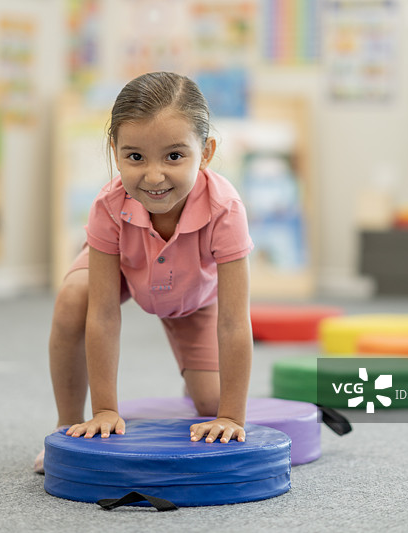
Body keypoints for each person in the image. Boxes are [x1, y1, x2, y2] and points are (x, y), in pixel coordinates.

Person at [36, 72, 253, 473]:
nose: (154, 177)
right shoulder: (108, 204)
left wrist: (230, 416)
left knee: (210, 401)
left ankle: (196, 384)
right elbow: (103, 314)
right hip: (124, 269)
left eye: (174, 156)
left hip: (193, 297)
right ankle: (66, 425)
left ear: (206, 152)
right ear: (115, 151)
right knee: (73, 299)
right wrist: (105, 409)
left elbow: (234, 321)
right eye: (135, 157)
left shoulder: (226, 209)